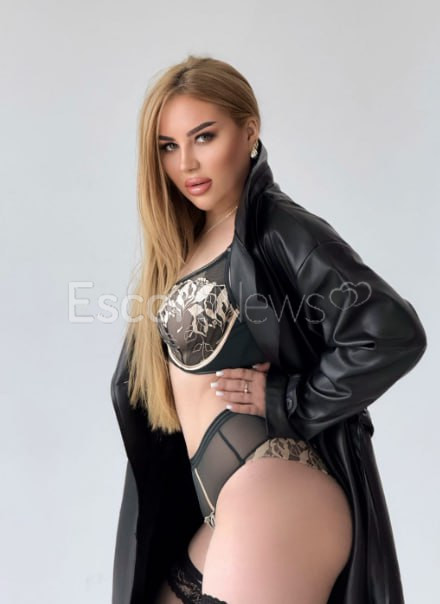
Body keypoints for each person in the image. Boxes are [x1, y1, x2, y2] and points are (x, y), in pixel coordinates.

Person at [111, 55, 427, 604]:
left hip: (275, 490)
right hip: (224, 508)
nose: (187, 162)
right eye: (168, 146)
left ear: (249, 131)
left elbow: (391, 332)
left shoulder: (278, 227)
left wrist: (289, 400)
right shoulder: (184, 246)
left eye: (204, 136)